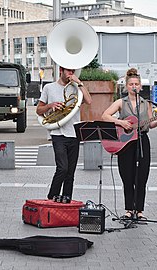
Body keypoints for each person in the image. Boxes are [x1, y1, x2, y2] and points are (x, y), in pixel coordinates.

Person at [101, 68, 157, 220]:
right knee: (127, 176)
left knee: (142, 176)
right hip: (125, 143)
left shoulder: (146, 104)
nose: (134, 86)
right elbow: (105, 116)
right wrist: (121, 122)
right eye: (131, 84)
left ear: (140, 86)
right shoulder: (120, 103)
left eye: (136, 84)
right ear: (127, 86)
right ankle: (129, 209)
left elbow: (150, 124)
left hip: (142, 140)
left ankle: (140, 210)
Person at [36, 66, 92, 200]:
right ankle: (51, 197)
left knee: (70, 172)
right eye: (68, 71)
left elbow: (89, 101)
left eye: (73, 71)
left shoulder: (76, 88)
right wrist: (50, 106)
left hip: (74, 133)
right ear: (61, 70)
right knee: (62, 168)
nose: (70, 73)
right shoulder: (49, 88)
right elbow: (39, 110)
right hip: (57, 133)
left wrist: (79, 82)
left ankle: (66, 199)